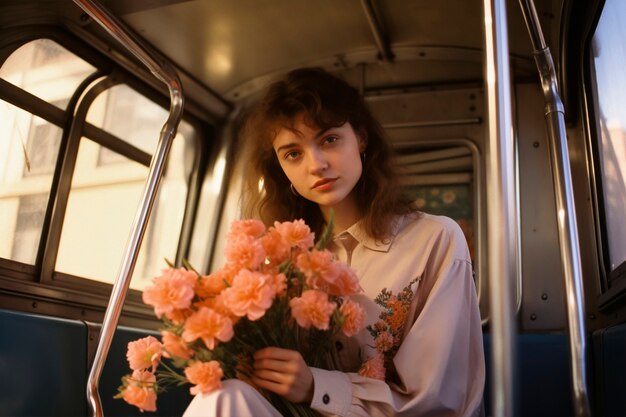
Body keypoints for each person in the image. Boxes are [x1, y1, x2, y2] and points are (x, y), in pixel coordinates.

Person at [183, 68, 485, 417]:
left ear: (361, 138)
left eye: (329, 140)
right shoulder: (277, 258)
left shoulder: (435, 240)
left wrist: (315, 387)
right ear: (281, 168)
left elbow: (437, 400)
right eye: (293, 153)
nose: (317, 164)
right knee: (222, 397)